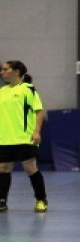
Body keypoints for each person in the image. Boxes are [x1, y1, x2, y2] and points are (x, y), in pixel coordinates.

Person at [0, 60, 48, 212]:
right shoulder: (2, 91)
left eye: (5, 69)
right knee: (3, 168)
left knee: (30, 168)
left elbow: (39, 111)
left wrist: (36, 131)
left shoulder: (28, 89)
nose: (2, 72)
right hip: (5, 138)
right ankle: (2, 201)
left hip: (24, 138)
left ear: (16, 71)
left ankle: (41, 199)